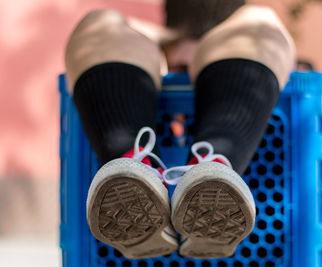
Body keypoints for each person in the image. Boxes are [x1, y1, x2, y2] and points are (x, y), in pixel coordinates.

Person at [65, 0, 295, 259]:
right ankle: (144, 171)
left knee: (258, 19)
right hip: (259, 248)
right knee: (99, 21)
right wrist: (171, 38)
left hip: (263, 235)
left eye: (189, 70)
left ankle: (206, 171)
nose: (182, 75)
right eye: (176, 69)